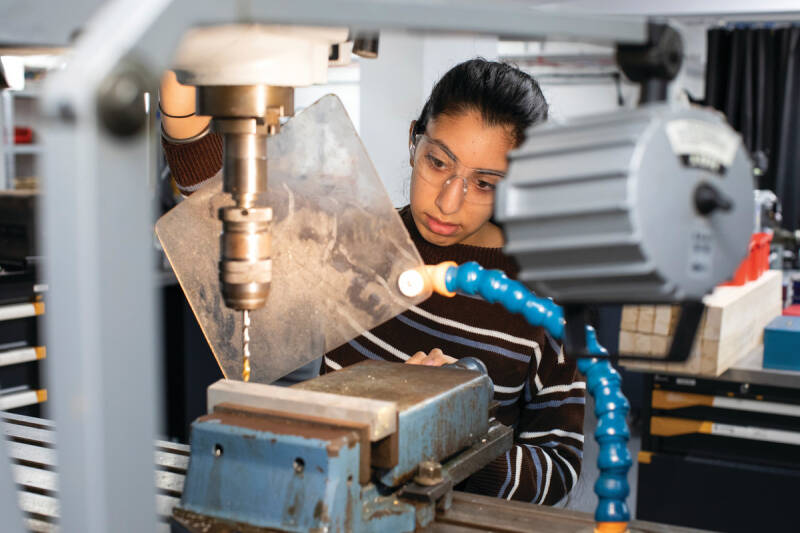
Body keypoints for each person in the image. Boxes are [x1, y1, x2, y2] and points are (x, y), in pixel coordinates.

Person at [160, 58, 584, 505]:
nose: (447, 201)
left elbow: (559, 470)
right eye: (437, 162)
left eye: (483, 183)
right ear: (413, 140)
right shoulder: (359, 241)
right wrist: (180, 110)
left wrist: (457, 436)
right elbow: (222, 206)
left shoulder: (543, 304)